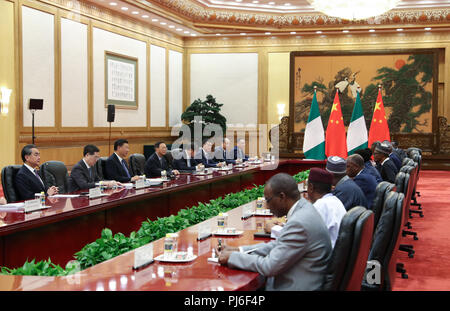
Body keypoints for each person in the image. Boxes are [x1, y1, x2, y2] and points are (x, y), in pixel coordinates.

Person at [216, 173, 331, 291]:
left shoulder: (300, 222)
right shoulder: (305, 208)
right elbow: (278, 245)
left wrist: (232, 257)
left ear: (282, 197)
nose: (266, 206)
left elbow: (269, 266)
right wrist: (239, 250)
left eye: (268, 200)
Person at [307, 168, 347, 248]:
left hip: (327, 257)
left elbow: (307, 239)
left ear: (311, 187)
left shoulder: (320, 205)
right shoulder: (336, 200)